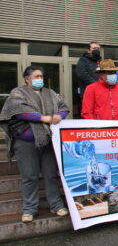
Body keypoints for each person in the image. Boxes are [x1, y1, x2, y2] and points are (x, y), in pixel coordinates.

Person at [0, 66, 69, 222]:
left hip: (48, 141)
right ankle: (29, 209)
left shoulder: (50, 93)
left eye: (41, 76)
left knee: (51, 175)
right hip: (25, 143)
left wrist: (59, 115)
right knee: (29, 176)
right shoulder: (18, 93)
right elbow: (17, 111)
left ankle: (56, 205)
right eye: (37, 76)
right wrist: (42, 118)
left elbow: (64, 107)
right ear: (27, 78)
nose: (40, 79)